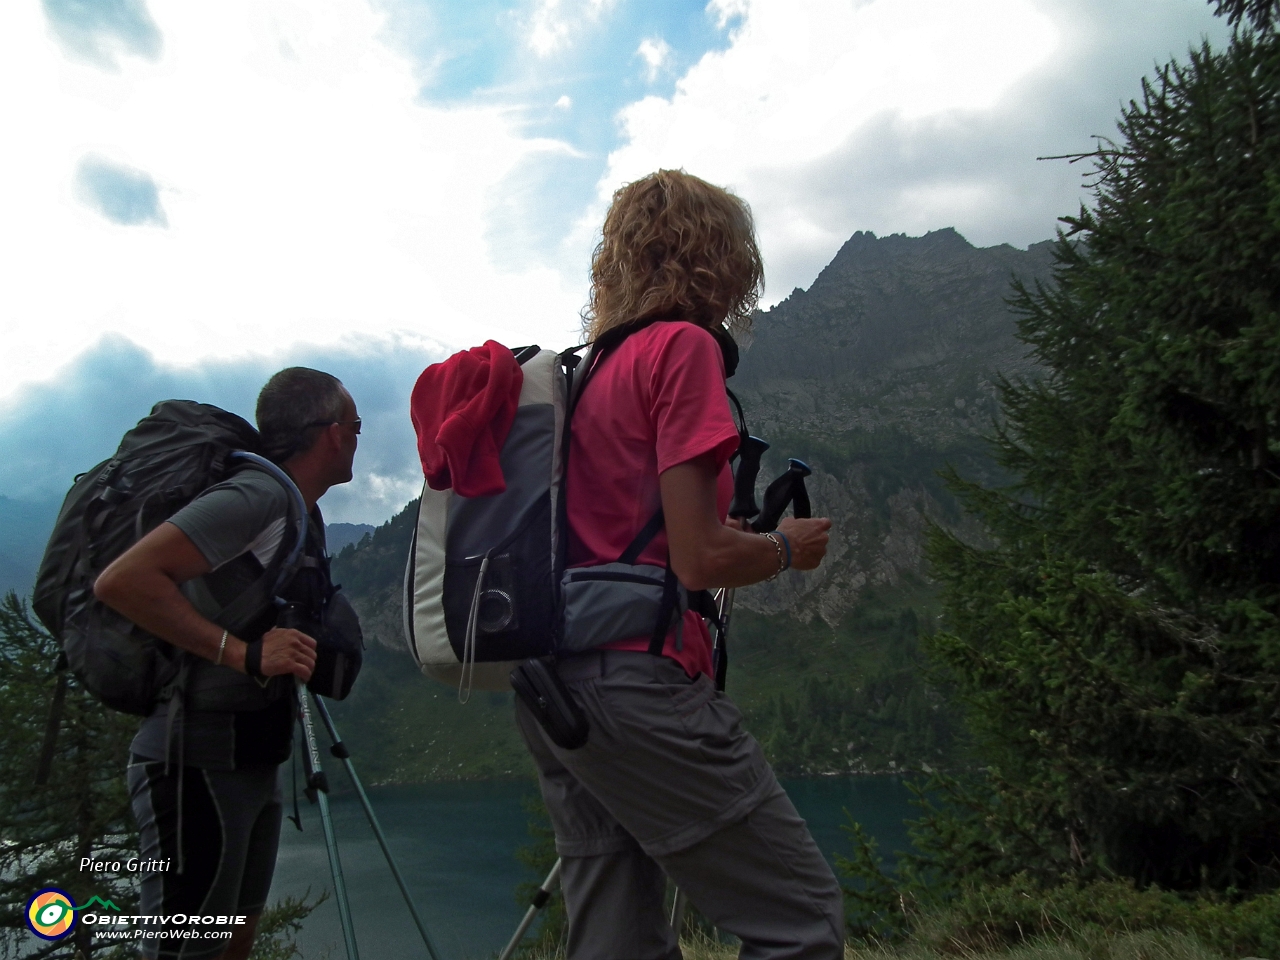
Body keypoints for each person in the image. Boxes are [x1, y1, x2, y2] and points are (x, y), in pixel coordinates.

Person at [515, 170, 844, 958]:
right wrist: (781, 548)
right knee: (801, 918)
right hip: (638, 686)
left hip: (552, 685)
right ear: (721, 259)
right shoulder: (684, 348)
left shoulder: (588, 371)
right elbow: (700, 559)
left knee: (614, 937)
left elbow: (637, 532)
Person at [93, 367, 361, 960]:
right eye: (356, 424)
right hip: (194, 764)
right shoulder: (258, 497)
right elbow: (123, 581)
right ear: (331, 434)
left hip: (250, 759)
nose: (360, 437)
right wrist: (241, 653)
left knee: (230, 945)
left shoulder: (298, 510)